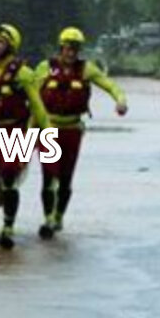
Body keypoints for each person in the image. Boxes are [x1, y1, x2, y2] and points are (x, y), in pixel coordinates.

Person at [34, 27, 128, 239]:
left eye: (75, 49)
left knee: (66, 179)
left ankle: (59, 216)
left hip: (73, 130)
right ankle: (48, 219)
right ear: (61, 48)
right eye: (68, 48)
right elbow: (30, 92)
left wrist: (120, 100)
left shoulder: (86, 69)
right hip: (48, 129)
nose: (71, 53)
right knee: (49, 176)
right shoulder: (44, 68)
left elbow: (110, 85)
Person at [0, 23, 52, 249]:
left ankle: (8, 228)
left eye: (0, 42)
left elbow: (37, 107)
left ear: (10, 47)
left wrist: (48, 135)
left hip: (13, 132)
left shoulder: (23, 74)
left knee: (8, 177)